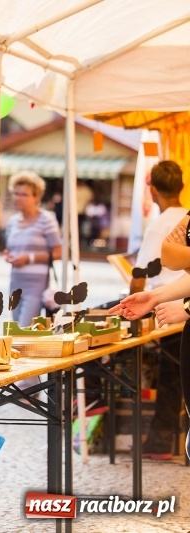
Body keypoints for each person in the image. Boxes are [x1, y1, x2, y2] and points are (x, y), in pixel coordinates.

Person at [126, 160, 187, 459]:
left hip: (176, 311)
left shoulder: (161, 224)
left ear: (152, 190)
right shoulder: (181, 218)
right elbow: (171, 256)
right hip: (174, 304)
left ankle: (161, 442)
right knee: (175, 380)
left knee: (170, 379)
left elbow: (149, 268)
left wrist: (184, 307)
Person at [3, 171, 62, 326]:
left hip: (36, 285)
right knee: (15, 327)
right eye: (16, 193)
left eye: (24, 194)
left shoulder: (46, 220)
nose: (18, 198)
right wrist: (9, 257)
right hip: (15, 282)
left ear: (36, 197)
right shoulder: (12, 222)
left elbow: (58, 252)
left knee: (25, 327)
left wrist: (28, 258)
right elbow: (11, 249)